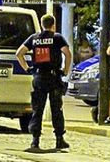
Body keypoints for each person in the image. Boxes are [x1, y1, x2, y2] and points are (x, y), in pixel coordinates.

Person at [16, 13, 72, 151]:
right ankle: (59, 139)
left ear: (42, 25)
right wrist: (65, 70)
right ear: (53, 24)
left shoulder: (34, 38)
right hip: (53, 78)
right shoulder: (57, 38)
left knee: (37, 109)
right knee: (56, 109)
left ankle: (35, 140)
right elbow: (67, 53)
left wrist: (28, 69)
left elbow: (19, 53)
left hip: (39, 77)